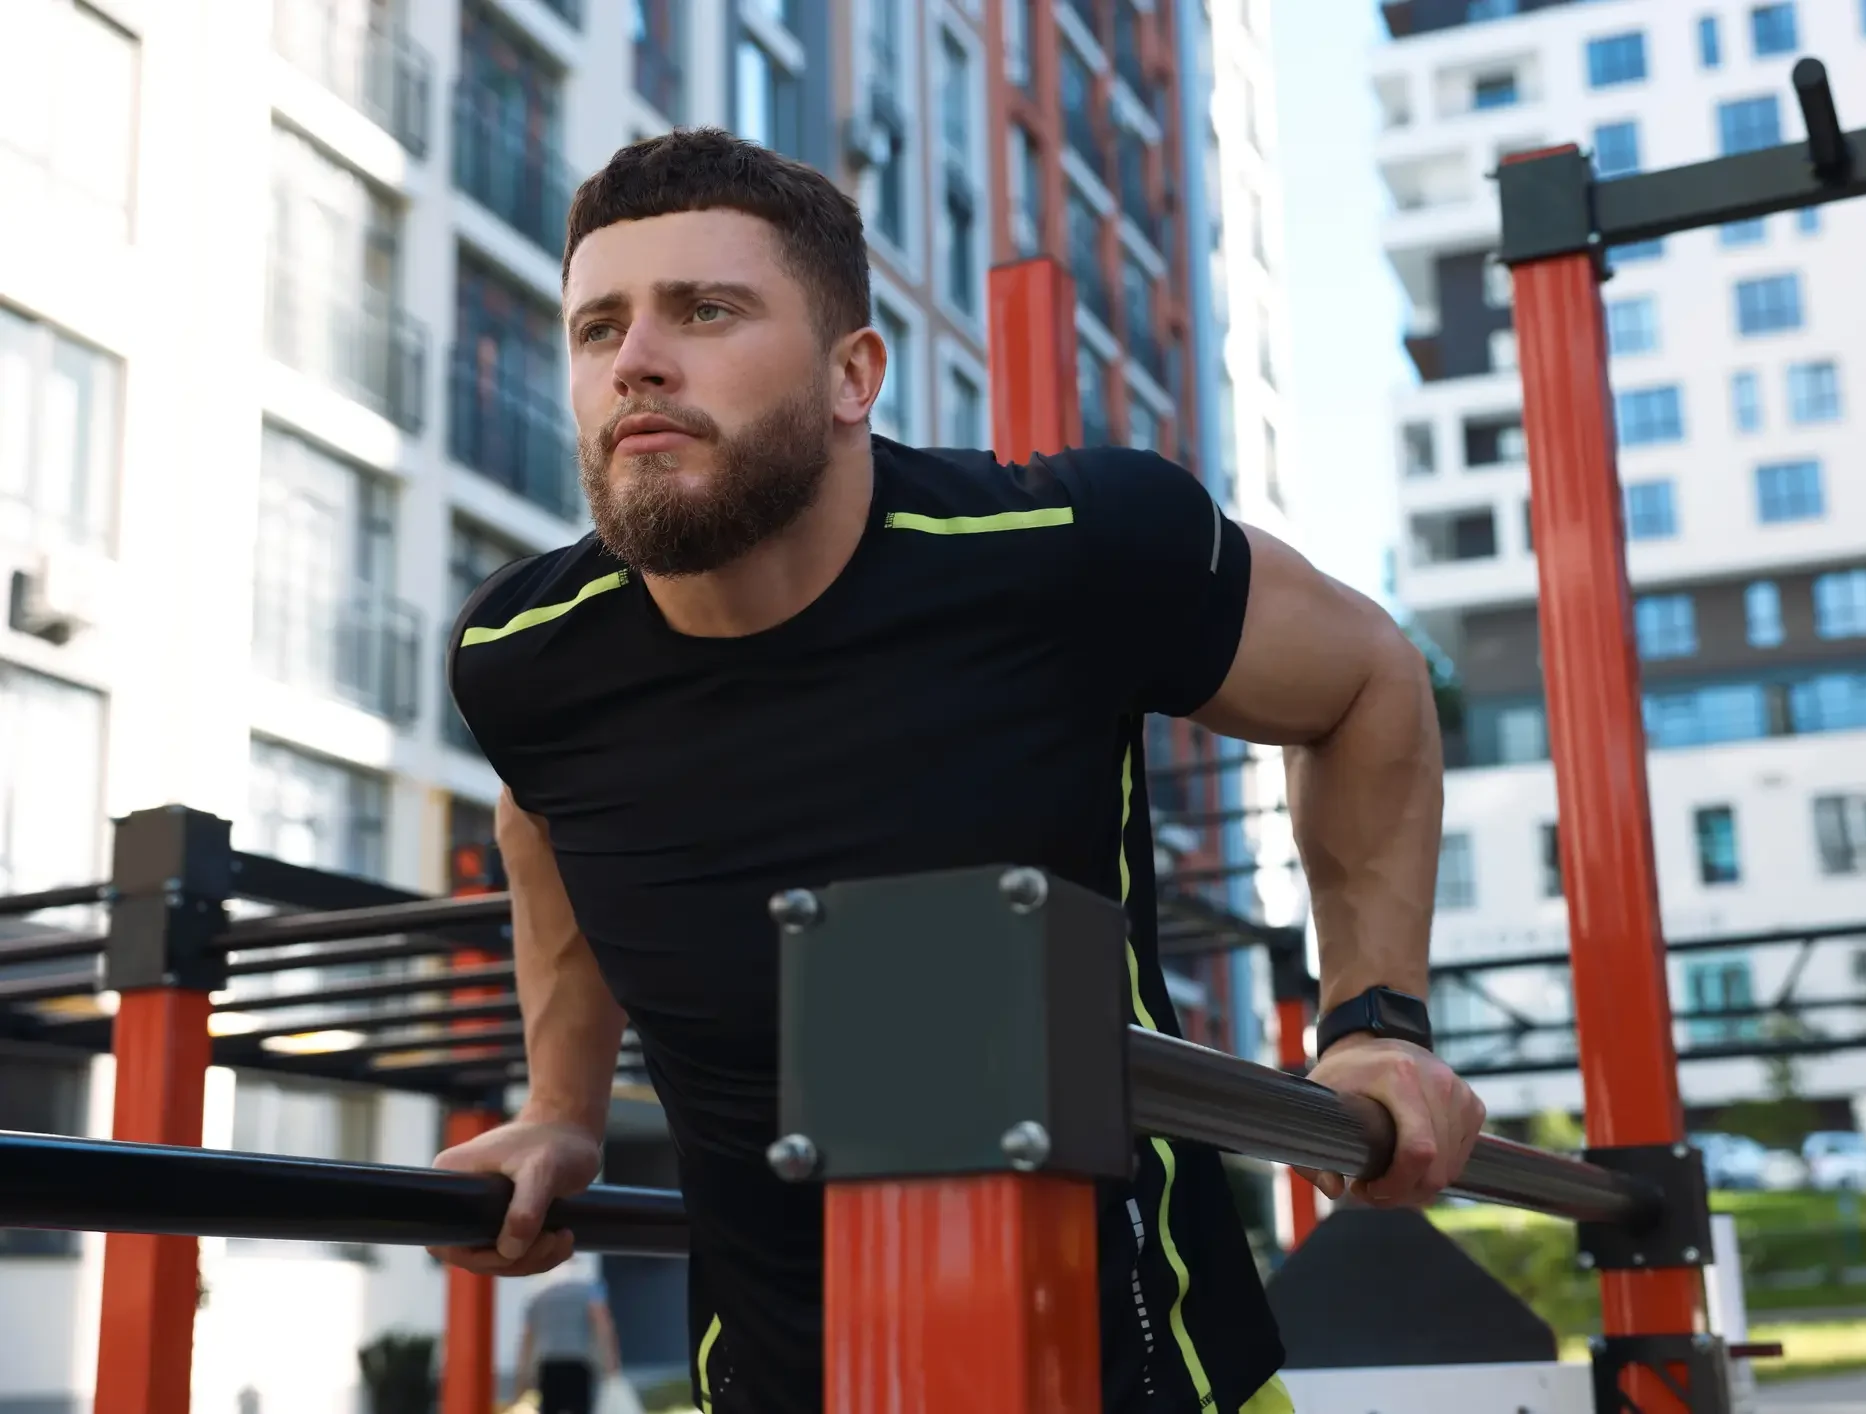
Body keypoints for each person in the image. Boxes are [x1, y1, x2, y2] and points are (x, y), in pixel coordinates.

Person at [430, 127, 1487, 1414]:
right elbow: (541, 817)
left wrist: (1375, 1024)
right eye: (598, 328)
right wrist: (560, 1105)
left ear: (851, 374)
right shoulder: (523, 655)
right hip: (764, 1380)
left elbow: (1368, 674)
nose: (636, 358)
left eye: (705, 310)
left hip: (1137, 1376)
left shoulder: (1065, 547)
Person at [513, 1255, 622, 1414]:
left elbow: (527, 1339)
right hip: (579, 1362)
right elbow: (602, 1326)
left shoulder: (538, 1298)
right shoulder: (588, 1292)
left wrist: (522, 1377)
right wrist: (610, 1362)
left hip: (548, 1364)